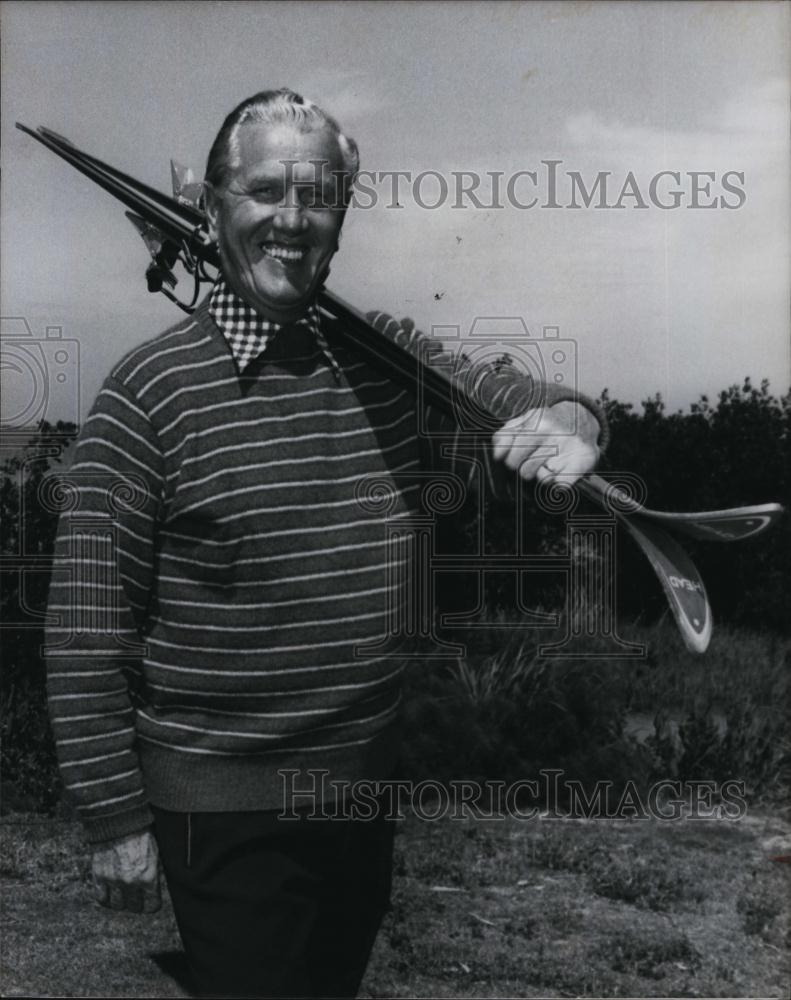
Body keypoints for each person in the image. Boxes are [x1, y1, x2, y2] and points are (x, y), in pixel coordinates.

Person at [45, 88, 605, 998]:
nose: (293, 220)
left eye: (320, 197)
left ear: (342, 217)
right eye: (266, 190)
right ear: (213, 204)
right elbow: (83, 629)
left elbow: (505, 398)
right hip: (220, 806)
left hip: (359, 789)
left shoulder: (383, 362)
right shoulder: (145, 395)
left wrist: (570, 422)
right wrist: (114, 820)